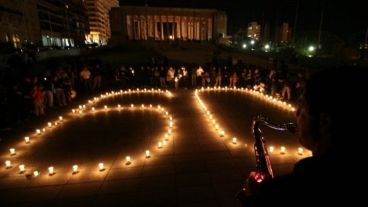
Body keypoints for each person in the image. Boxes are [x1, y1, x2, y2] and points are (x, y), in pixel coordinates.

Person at [238, 66, 367, 206]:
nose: (297, 113)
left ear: (325, 121)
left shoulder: (298, 188)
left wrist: (254, 197)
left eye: (302, 104)